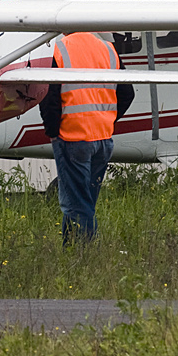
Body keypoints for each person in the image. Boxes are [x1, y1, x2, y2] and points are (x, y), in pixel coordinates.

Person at [39, 32, 134, 244]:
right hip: (103, 138)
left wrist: (53, 131)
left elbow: (48, 95)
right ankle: (70, 248)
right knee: (84, 201)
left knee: (77, 204)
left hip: (73, 137)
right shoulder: (109, 49)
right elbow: (127, 93)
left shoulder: (59, 50)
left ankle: (84, 255)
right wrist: (106, 119)